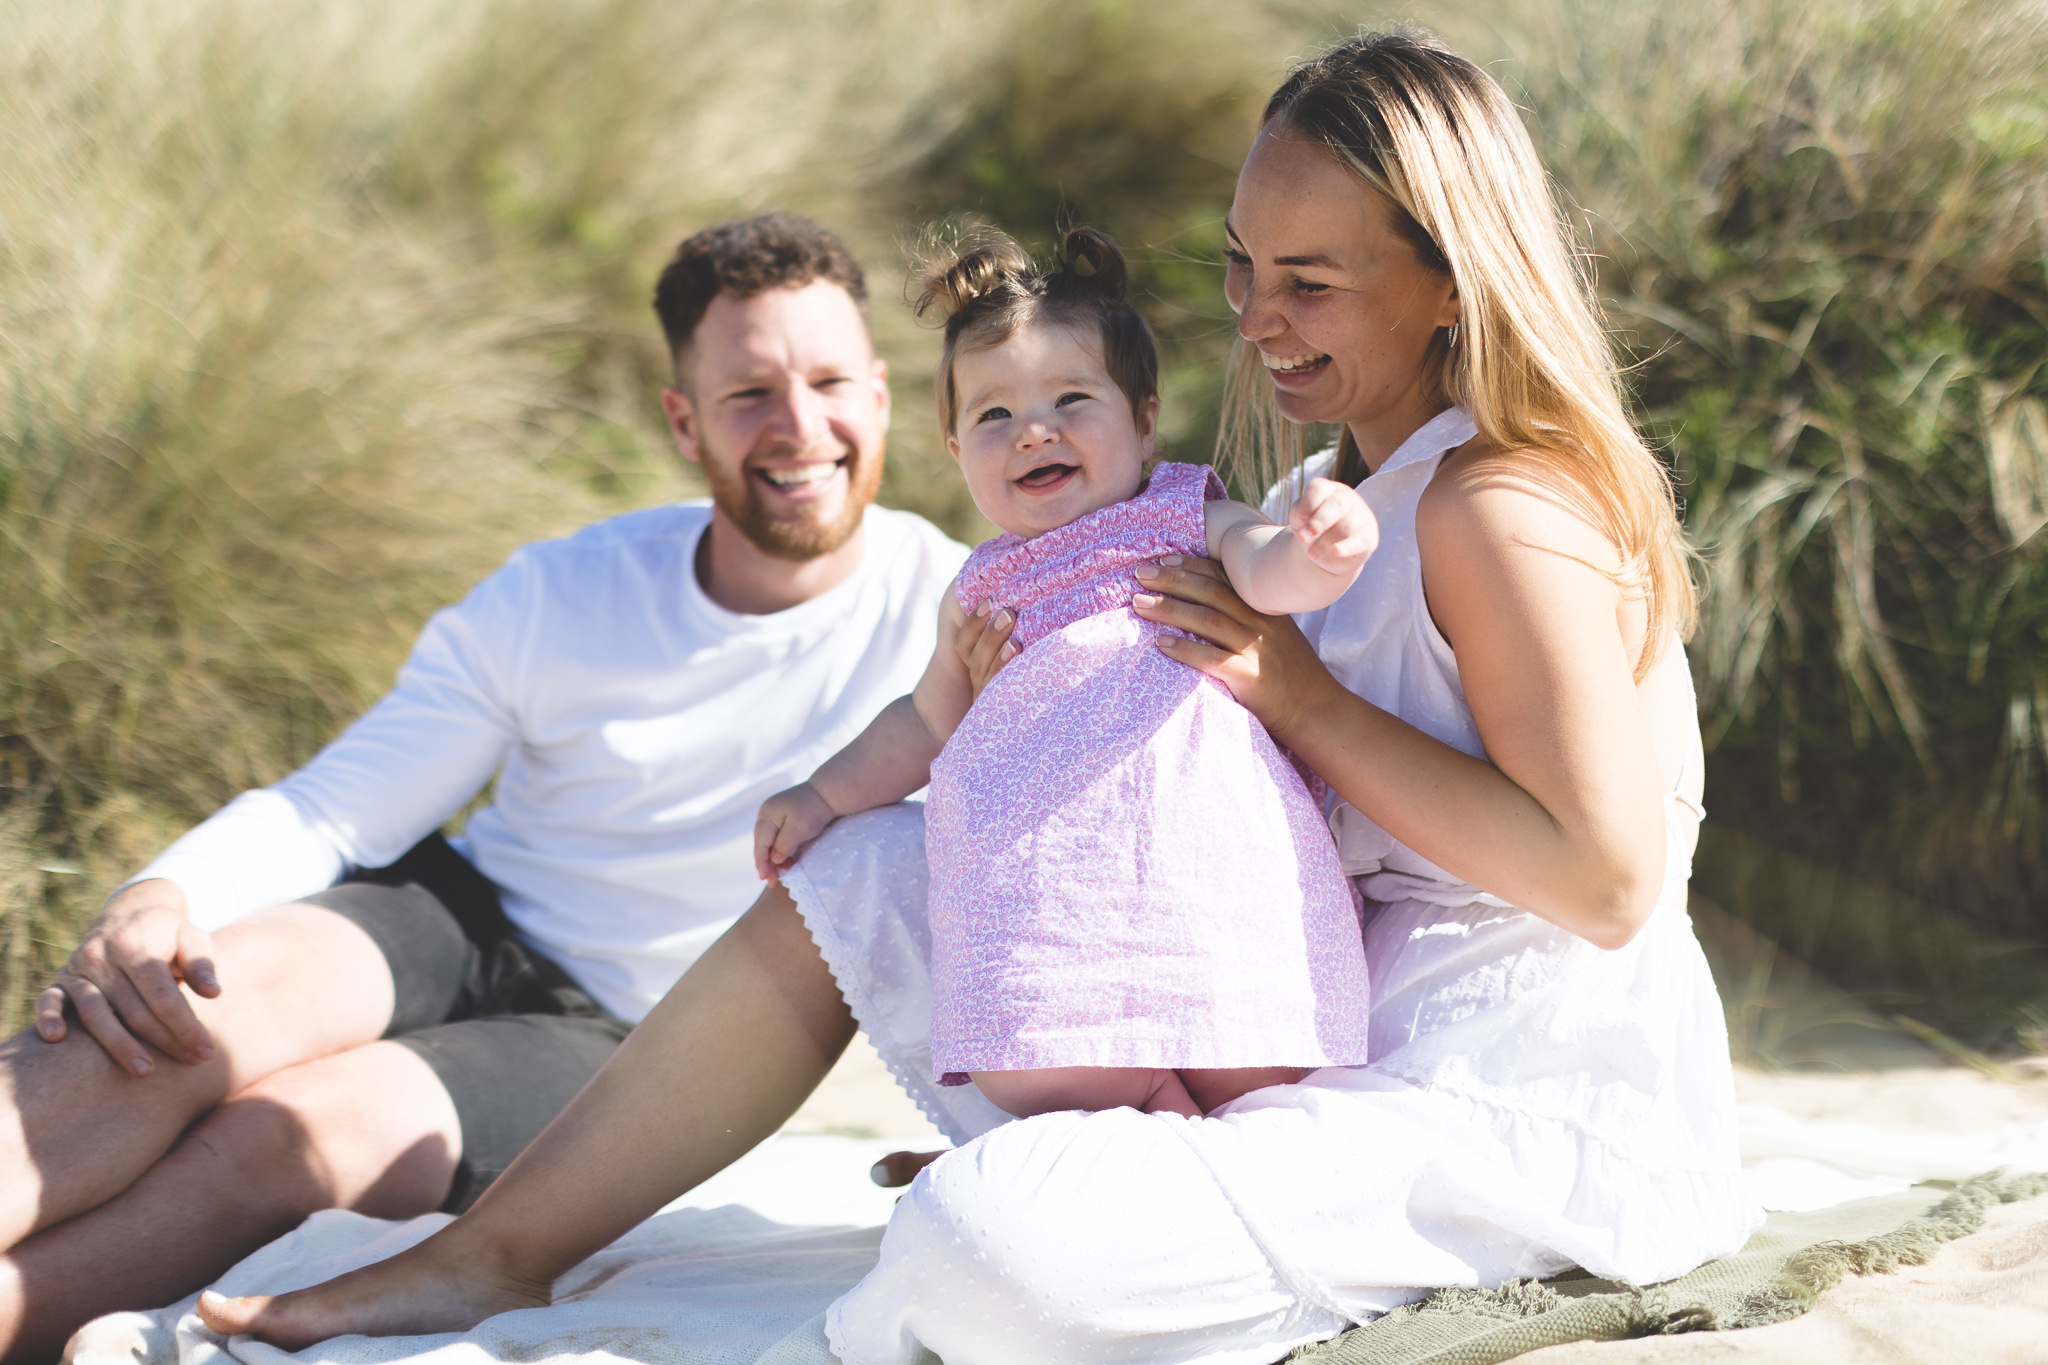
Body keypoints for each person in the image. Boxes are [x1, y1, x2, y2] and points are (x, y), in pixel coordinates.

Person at [200, 28, 1762, 1364]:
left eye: (1309, 280)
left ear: (1447, 281)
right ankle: (501, 1246)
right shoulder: (1354, 479)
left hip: (1503, 1105)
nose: (1254, 314)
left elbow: (1609, 883)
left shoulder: (1498, 504)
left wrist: (1296, 695)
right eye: (1239, 265)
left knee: (981, 1238)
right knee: (862, 864)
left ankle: (1090, 1179)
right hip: (1315, 1021)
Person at [0, 212, 966, 1361]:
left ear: (883, 397)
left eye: (827, 381)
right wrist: (159, 892)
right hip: (461, 914)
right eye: (749, 392)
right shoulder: (566, 588)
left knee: (286, 1137)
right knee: (177, 1012)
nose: (799, 426)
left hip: (627, 1034)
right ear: (683, 421)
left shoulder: (958, 618)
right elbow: (333, 807)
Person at [755, 227, 1377, 1121]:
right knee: (1035, 1068)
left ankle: (1211, 1136)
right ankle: (1164, 1120)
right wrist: (819, 796)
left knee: (1262, 1065)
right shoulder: (983, 589)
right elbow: (925, 723)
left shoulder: (1182, 513)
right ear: (957, 448)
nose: (1032, 431)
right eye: (993, 416)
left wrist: (1320, 553)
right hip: (1056, 906)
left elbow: (1265, 568)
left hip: (1213, 884)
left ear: (1146, 417)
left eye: (1072, 398)